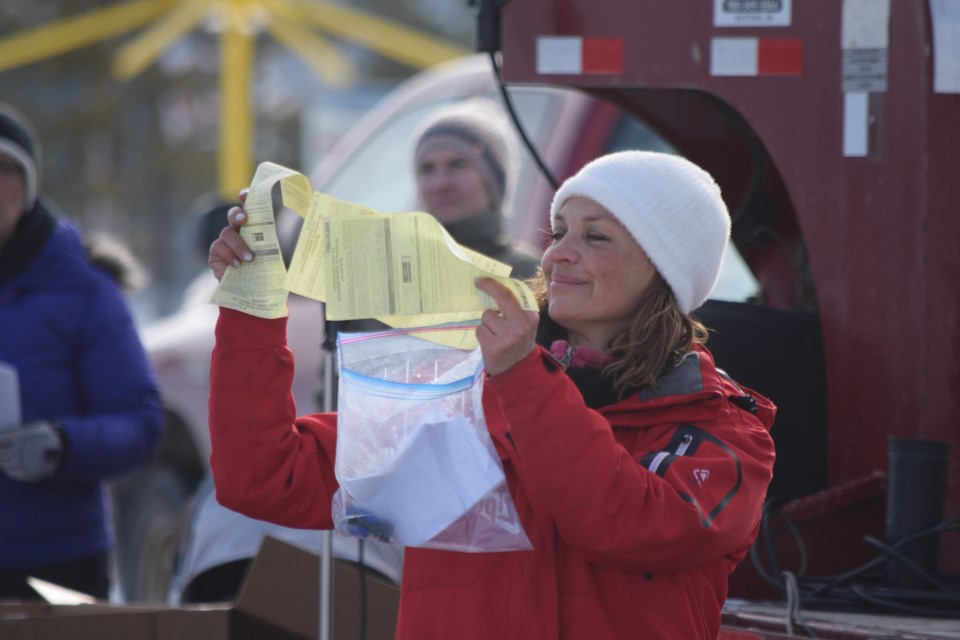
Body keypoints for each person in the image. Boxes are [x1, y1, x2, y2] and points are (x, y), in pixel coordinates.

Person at [206, 150, 777, 639]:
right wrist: (251, 312)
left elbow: (622, 523)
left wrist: (522, 375)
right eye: (559, 233)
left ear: (666, 272)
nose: (558, 255)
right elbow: (263, 476)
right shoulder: (460, 396)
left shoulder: (725, 435)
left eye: (595, 236)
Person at [0, 104, 164, 600]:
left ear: (28, 186)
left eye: (7, 168)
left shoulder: (86, 290)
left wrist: (61, 445)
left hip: (56, 565)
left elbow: (140, 422)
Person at [411, 97, 541, 278]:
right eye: (427, 169)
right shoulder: (399, 273)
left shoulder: (533, 277)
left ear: (494, 182)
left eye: (457, 165)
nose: (440, 184)